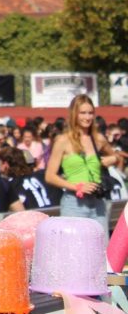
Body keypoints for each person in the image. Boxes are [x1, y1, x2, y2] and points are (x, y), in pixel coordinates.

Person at [44, 94, 120, 231]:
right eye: (83, 113)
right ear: (74, 114)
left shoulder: (98, 139)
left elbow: (117, 157)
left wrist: (113, 159)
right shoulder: (63, 140)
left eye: (91, 113)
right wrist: (77, 187)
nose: (87, 117)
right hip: (74, 203)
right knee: (74, 249)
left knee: (100, 247)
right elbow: (49, 176)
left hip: (98, 202)